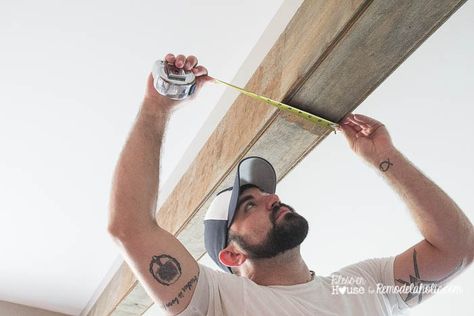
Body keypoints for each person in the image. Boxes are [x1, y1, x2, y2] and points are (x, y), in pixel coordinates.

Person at [107, 53, 474, 315]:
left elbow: (458, 249)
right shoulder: (214, 300)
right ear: (232, 256)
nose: (272, 198)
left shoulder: (362, 284)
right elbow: (130, 227)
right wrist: (157, 107)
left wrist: (384, 158)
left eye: (266, 193)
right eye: (249, 205)